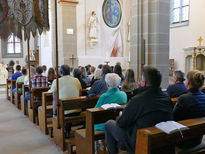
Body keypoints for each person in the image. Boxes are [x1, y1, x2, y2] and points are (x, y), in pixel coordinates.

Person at [104, 66, 173, 154]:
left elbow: (121, 123)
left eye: (141, 80)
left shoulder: (138, 100)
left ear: (144, 83)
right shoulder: (166, 98)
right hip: (161, 141)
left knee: (109, 124)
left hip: (140, 142)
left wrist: (121, 115)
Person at [173, 70, 205, 147]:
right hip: (198, 138)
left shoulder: (183, 98)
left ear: (187, 82)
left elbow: (174, 118)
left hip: (184, 141)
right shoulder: (204, 97)